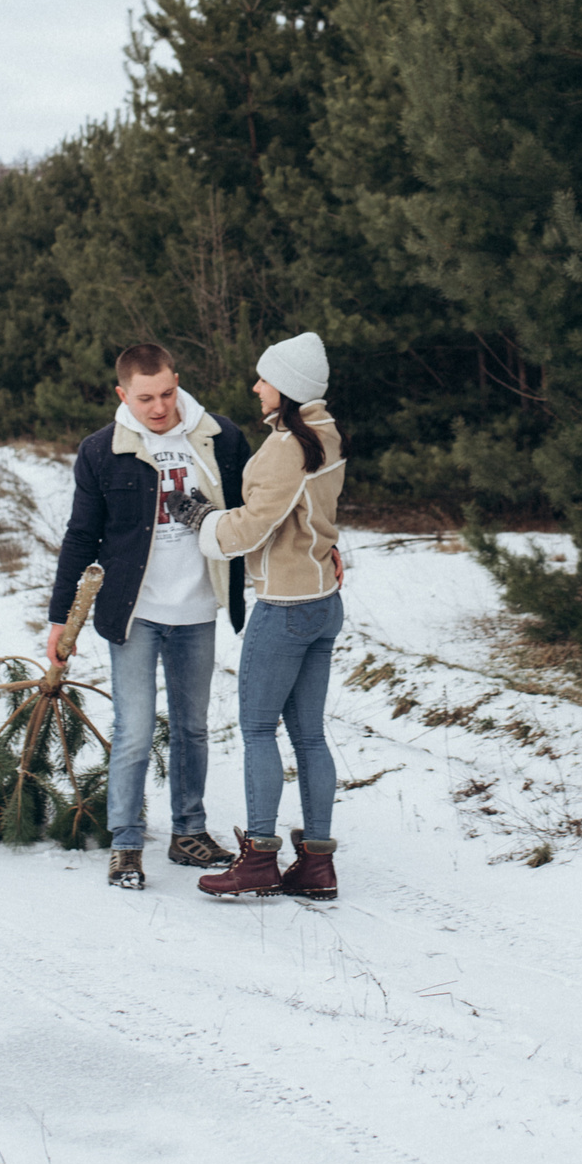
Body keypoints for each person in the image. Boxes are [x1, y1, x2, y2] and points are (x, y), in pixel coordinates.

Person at [46, 343, 251, 888]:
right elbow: (80, 537)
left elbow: (264, 508)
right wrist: (59, 618)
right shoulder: (100, 451)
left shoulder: (221, 438)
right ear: (123, 395)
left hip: (198, 610)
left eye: (166, 393)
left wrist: (321, 545)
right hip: (133, 615)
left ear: (177, 382)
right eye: (145, 398)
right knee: (134, 731)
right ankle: (127, 844)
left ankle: (189, 832)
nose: (158, 408)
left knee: (192, 729)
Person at [173, 331, 347, 902]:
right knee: (310, 736)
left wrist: (200, 519)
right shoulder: (324, 433)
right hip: (323, 603)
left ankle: (258, 862)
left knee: (255, 730)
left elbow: (251, 529)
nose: (255, 387)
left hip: (285, 608)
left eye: (264, 379)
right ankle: (317, 865)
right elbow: (303, 515)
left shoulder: (283, 449)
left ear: (288, 389)